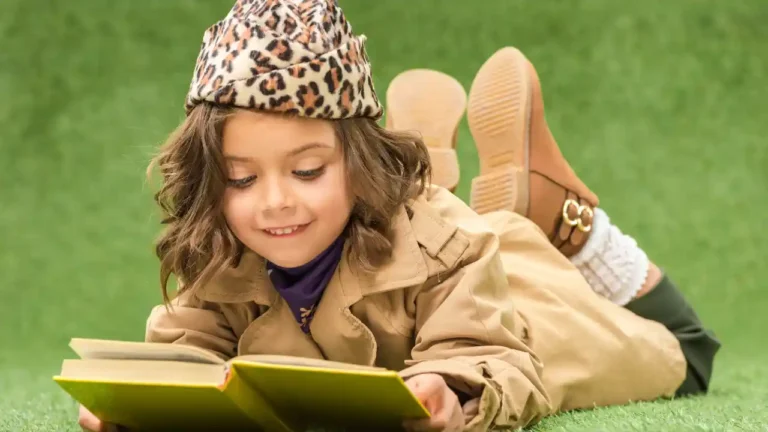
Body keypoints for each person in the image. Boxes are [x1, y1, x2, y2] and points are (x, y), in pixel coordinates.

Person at [78, 1, 720, 431]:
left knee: (683, 357)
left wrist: (452, 390)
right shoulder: (224, 246)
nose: (273, 201)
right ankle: (426, 172)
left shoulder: (449, 246)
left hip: (515, 307)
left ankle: (565, 223)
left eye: (307, 171)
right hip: (422, 236)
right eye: (241, 178)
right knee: (446, 224)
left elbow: (490, 356)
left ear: (358, 161)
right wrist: (144, 402)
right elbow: (191, 344)